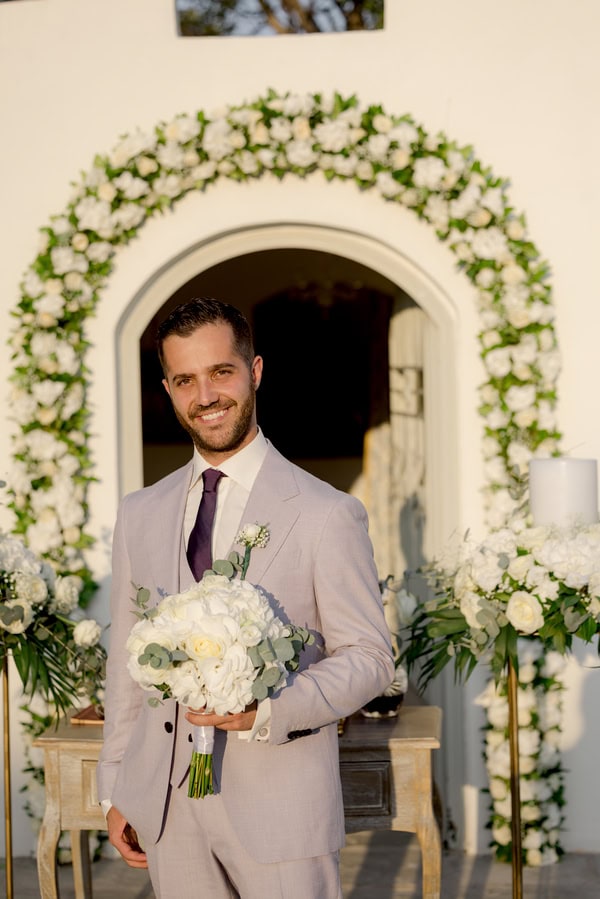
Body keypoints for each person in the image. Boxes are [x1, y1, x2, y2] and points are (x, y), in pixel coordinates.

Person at [97, 297, 395, 899]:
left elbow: (368, 657)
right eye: (185, 380)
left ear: (254, 372)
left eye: (221, 372)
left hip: (279, 808)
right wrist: (117, 790)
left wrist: (268, 710)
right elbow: (126, 667)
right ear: (168, 389)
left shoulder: (325, 513)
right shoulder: (139, 512)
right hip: (167, 811)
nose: (205, 395)